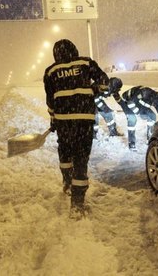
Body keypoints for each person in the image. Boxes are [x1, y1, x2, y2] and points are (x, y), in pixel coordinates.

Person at [43, 39, 109, 215]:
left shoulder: (50, 71)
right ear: (74, 49)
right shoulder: (86, 62)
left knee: (65, 151)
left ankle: (67, 182)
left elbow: (51, 101)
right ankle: (77, 204)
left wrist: (53, 119)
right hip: (84, 119)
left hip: (63, 120)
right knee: (81, 158)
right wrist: (92, 90)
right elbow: (104, 81)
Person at [108, 77, 158, 150]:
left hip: (138, 103)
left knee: (152, 116)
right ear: (152, 99)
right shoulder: (144, 93)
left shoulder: (157, 99)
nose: (154, 105)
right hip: (127, 101)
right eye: (154, 104)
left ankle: (149, 139)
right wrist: (139, 113)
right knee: (132, 119)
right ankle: (131, 144)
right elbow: (130, 104)